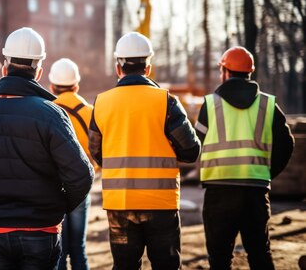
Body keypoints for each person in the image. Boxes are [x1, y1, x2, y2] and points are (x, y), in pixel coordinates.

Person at [0, 27, 95, 270]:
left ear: (5, 68)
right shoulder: (52, 115)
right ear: (39, 71)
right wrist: (57, 206)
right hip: (41, 229)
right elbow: (81, 175)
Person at [89, 32, 200, 270]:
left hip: (120, 204)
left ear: (118, 67)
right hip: (161, 204)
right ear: (148, 67)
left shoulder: (102, 102)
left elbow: (97, 152)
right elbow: (190, 151)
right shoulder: (166, 101)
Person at [195, 46, 294, 270]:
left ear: (225, 72)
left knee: (219, 260)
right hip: (255, 192)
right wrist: (266, 172)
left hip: (219, 193)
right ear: (250, 73)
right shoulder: (268, 105)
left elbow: (193, 146)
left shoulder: (211, 105)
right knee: (260, 255)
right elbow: (287, 144)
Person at [48, 58, 97, 270]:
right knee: (78, 249)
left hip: (54, 190)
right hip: (81, 188)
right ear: (76, 84)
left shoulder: (47, 110)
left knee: (57, 252)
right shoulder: (90, 111)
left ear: (51, 85)